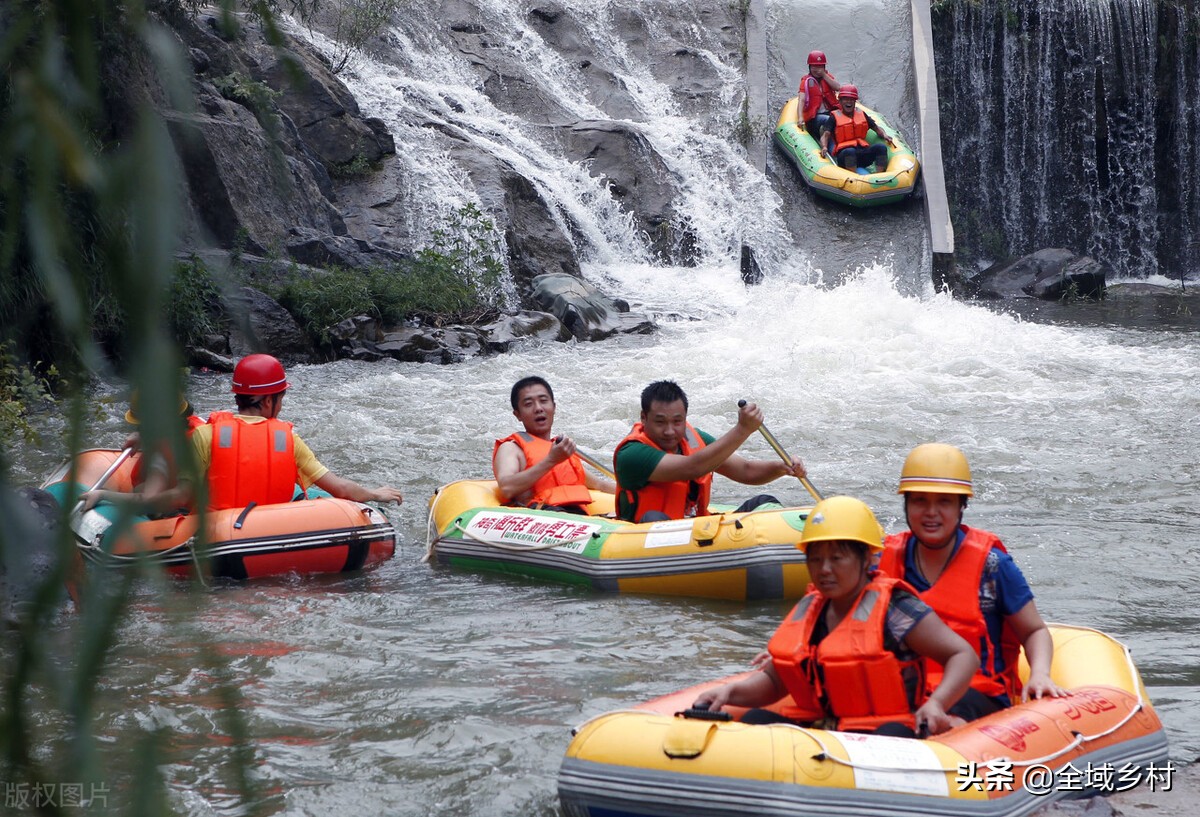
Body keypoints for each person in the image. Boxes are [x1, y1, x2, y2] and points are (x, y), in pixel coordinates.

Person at [693, 496, 977, 737]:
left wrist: (938, 703)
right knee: (757, 720)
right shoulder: (811, 609)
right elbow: (777, 682)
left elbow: (963, 654)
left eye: (837, 558)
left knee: (891, 735)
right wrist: (729, 692)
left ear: (866, 559)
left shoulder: (896, 609)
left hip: (884, 734)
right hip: (825, 732)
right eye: (815, 559)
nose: (824, 569)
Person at [877, 443, 1067, 724]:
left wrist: (1039, 673)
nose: (931, 512)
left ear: (961, 506)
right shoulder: (884, 561)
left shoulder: (994, 566)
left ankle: (946, 736)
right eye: (919, 501)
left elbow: (1033, 630)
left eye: (944, 502)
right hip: (907, 691)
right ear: (906, 505)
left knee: (956, 708)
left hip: (977, 694)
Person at [185, 354, 404, 509]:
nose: (280, 407)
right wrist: (375, 494)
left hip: (217, 538)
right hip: (276, 533)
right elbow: (340, 489)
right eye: (280, 399)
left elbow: (183, 496)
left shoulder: (206, 434)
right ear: (269, 400)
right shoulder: (287, 439)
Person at [612, 380, 806, 523]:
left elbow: (745, 470)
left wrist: (781, 468)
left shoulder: (694, 438)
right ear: (644, 418)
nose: (670, 431)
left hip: (697, 530)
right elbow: (692, 467)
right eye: (660, 422)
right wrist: (743, 429)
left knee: (765, 501)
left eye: (677, 421)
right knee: (655, 520)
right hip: (647, 535)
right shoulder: (632, 454)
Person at [492, 376, 616, 513]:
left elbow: (600, 485)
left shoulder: (561, 450)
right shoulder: (511, 448)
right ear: (517, 415)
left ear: (554, 407)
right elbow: (507, 488)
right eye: (528, 404)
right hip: (542, 516)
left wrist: (638, 494)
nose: (538, 408)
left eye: (543, 401)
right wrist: (551, 460)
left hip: (578, 519)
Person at [79, 391, 203, 516]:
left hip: (180, 513)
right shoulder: (200, 428)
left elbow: (148, 501)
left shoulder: (162, 456)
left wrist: (102, 495)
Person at [819, 84, 895, 174]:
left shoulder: (861, 114)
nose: (849, 102)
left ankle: (880, 175)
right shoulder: (834, 117)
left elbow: (877, 129)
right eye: (845, 99)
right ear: (840, 101)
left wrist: (885, 136)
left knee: (881, 147)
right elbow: (825, 135)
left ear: (855, 101)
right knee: (850, 151)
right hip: (845, 156)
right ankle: (854, 177)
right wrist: (824, 147)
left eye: (851, 100)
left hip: (862, 153)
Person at [799, 50, 840, 139]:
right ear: (810, 67)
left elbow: (837, 87)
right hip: (814, 117)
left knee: (838, 118)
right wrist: (800, 117)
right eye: (814, 66)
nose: (817, 69)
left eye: (820, 66)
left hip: (830, 112)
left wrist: (824, 75)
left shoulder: (828, 77)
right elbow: (801, 99)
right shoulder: (806, 81)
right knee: (829, 120)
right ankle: (825, 142)